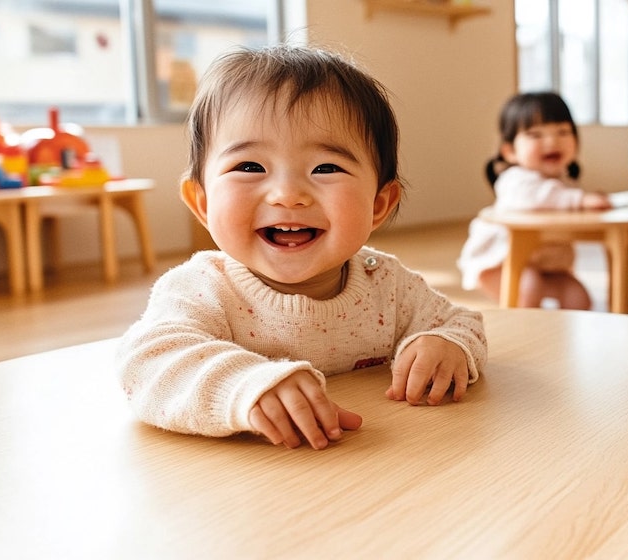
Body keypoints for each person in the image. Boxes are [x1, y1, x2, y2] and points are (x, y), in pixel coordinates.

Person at [115, 45, 487, 451]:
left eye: (325, 168)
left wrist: (446, 344)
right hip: (248, 488)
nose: (287, 195)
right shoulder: (203, 289)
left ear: (378, 204)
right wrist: (245, 386)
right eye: (249, 167)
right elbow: (146, 365)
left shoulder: (387, 285)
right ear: (202, 203)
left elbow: (462, 321)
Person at [457, 92, 612, 310]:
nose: (552, 141)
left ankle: (560, 333)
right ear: (510, 151)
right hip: (498, 263)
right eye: (535, 135)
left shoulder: (563, 182)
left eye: (563, 132)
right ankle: (524, 330)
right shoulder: (515, 180)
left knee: (578, 297)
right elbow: (536, 197)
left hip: (545, 265)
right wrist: (580, 200)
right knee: (530, 287)